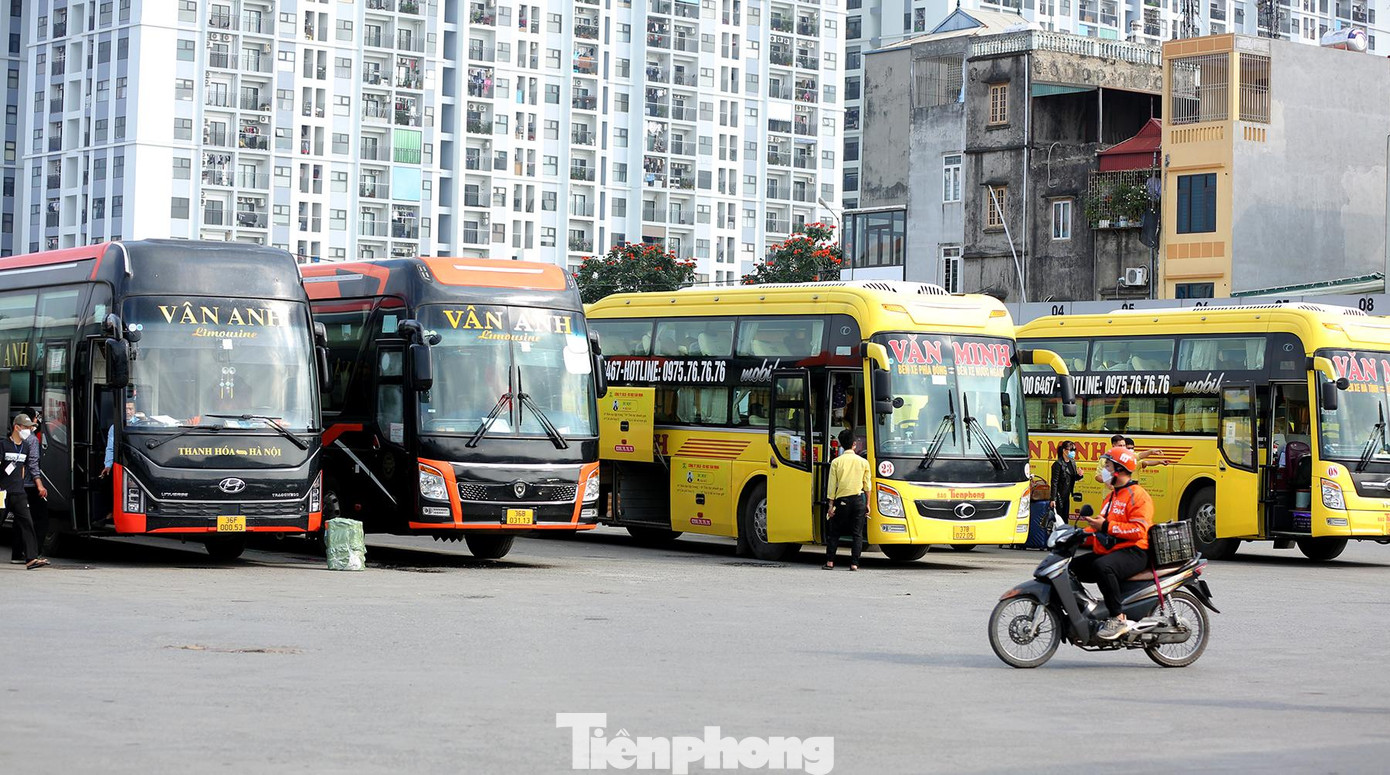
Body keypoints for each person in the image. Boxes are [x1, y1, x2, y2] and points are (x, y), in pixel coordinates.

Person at [1072, 447, 1154, 640]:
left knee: (1103, 566)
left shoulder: (1139, 495)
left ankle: (1118, 617)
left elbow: (1138, 530)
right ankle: (1087, 614)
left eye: (1108, 466)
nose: (1104, 470)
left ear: (1119, 469)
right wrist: (1078, 534)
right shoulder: (1111, 497)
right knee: (1072, 568)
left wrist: (1107, 526)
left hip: (1135, 550)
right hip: (1113, 548)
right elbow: (1100, 526)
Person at [3, 414, 48, 569]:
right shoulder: (3, 445)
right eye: (27, 427)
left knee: (27, 522)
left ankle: (31, 558)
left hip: (19, 492)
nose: (29, 430)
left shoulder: (26, 446)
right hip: (2, 492)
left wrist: (39, 485)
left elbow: (31, 467)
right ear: (17, 427)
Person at [824, 428, 871, 571]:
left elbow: (832, 486)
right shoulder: (863, 462)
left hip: (842, 501)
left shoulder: (836, 462)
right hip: (858, 501)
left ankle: (830, 562)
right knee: (857, 533)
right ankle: (854, 564)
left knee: (835, 532)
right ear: (854, 444)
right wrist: (867, 504)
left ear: (841, 444)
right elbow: (867, 485)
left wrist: (831, 506)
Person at [1050, 441, 1083, 521]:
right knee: (1059, 518)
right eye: (1071, 450)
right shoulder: (1058, 464)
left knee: (1065, 517)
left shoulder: (1072, 462)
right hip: (1059, 495)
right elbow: (1054, 482)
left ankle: (1064, 532)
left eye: (1074, 450)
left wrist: (1080, 475)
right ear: (1064, 451)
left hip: (1067, 494)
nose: (1073, 452)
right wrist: (1053, 499)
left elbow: (1073, 478)